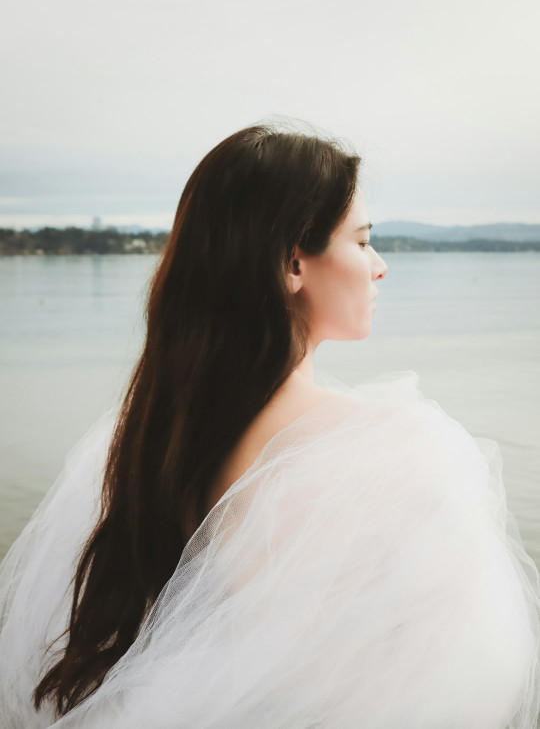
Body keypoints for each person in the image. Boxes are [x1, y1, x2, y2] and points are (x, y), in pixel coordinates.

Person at [0, 121, 538, 728]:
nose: (379, 266)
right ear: (292, 264)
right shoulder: (397, 448)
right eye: (361, 243)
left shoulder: (153, 435)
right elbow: (472, 682)